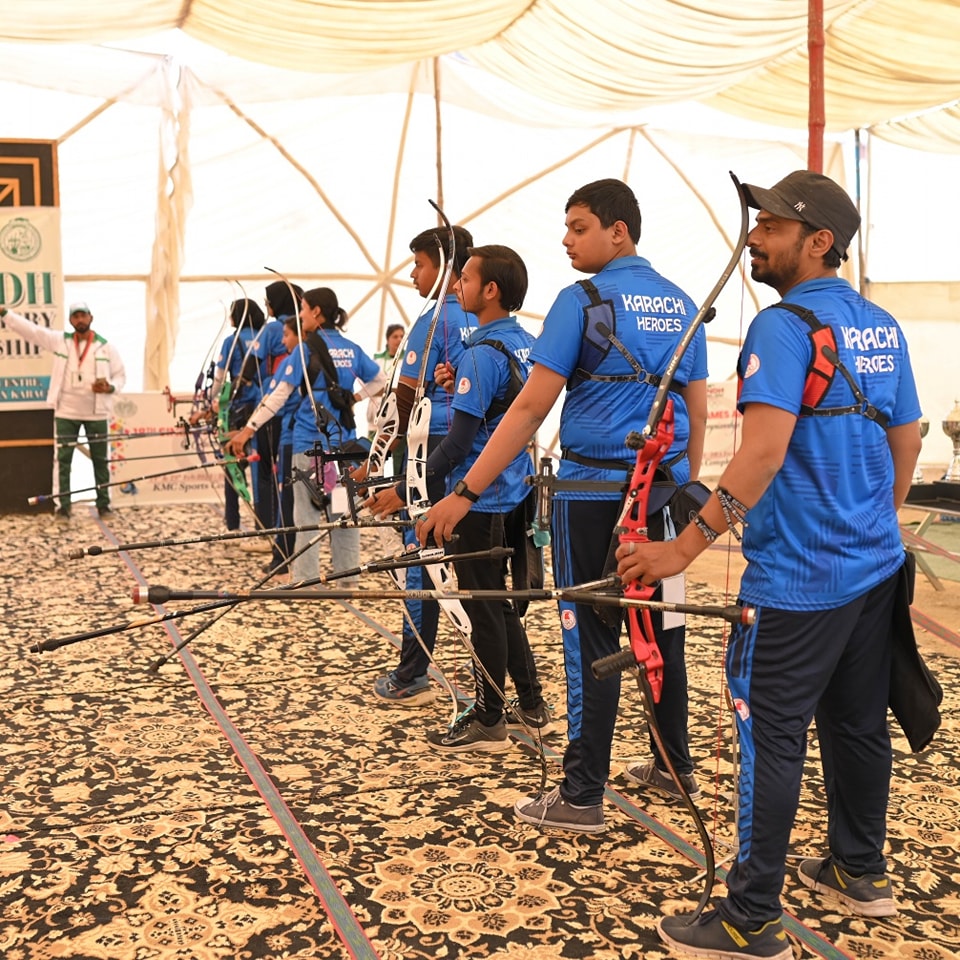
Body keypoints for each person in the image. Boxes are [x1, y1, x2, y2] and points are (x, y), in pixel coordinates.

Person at [615, 170, 921, 959]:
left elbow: (762, 455)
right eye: (757, 223)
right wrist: (872, 524)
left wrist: (680, 548)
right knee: (858, 724)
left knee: (772, 736)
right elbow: (906, 439)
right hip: (873, 569)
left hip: (797, 581)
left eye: (772, 226)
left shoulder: (782, 327)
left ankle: (749, 917)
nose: (754, 237)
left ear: (819, 242)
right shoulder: (881, 326)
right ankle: (860, 870)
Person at [418, 179, 707, 829]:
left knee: (591, 638)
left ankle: (581, 795)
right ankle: (673, 765)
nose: (567, 240)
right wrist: (685, 491)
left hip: (592, 497)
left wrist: (463, 493)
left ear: (618, 231)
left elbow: (528, 410)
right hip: (663, 496)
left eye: (579, 227)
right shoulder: (683, 303)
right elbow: (695, 408)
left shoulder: (581, 300)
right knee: (663, 629)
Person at [368, 244, 551, 751]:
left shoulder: (477, 352)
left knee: (481, 609)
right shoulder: (525, 342)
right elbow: (505, 405)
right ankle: (531, 702)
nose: (456, 285)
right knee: (497, 602)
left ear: (490, 290)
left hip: (478, 499)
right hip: (515, 490)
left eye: (465, 278)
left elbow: (458, 443)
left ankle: (489, 719)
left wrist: (406, 490)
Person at [360, 224, 477, 704]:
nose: (412, 274)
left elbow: (403, 400)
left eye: (419, 264)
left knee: (422, 561)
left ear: (444, 267)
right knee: (476, 569)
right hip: (478, 460)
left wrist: (378, 462)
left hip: (432, 457)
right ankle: (504, 685)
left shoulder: (433, 321)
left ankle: (412, 675)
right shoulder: (485, 317)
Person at [228, 287, 384, 585]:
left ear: (316, 312)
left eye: (303, 309)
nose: (300, 315)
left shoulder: (304, 350)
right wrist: (352, 398)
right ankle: (347, 580)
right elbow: (380, 380)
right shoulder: (351, 348)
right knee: (343, 513)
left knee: (306, 515)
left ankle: (307, 580)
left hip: (309, 445)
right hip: (344, 446)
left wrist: (248, 430)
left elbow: (278, 396)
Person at [0, 301, 126, 518]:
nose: (80, 320)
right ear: (70, 320)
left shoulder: (106, 347)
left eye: (83, 315)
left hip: (97, 412)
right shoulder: (60, 341)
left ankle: (104, 504)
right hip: (66, 411)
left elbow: (120, 376)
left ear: (91, 318)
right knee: (63, 460)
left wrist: (110, 387)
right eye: (76, 316)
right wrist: (5, 313)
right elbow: (32, 331)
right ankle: (63, 506)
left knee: (101, 460)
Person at [191, 298, 265, 534]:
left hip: (238, 410)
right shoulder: (267, 336)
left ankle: (233, 525)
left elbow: (220, 379)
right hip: (265, 411)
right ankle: (263, 526)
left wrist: (210, 401)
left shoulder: (231, 341)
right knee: (262, 471)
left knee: (233, 467)